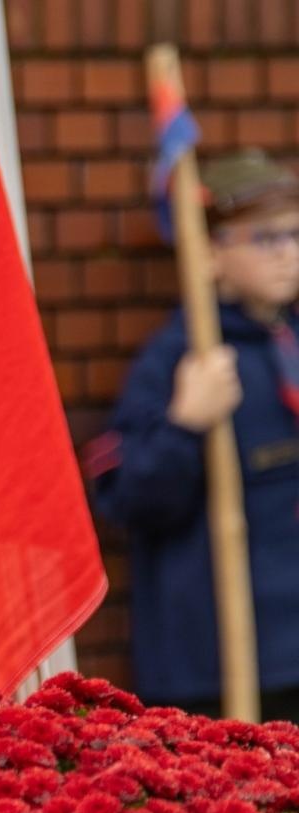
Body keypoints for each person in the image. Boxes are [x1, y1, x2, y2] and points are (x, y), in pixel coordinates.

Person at [90, 148, 299, 719]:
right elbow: (126, 496)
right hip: (216, 667)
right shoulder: (178, 360)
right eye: (265, 238)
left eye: (294, 235)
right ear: (209, 254)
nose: (288, 254)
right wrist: (186, 422)